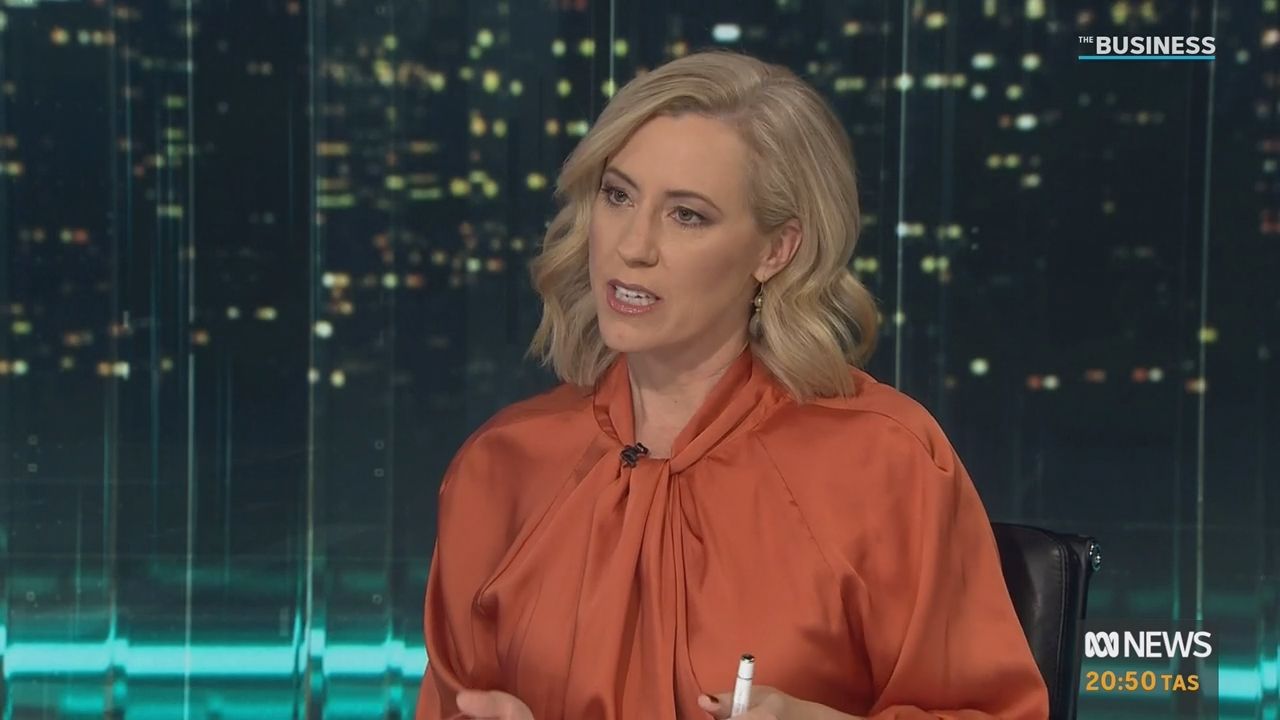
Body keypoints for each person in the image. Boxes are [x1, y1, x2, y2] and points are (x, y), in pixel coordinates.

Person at [415, 50, 1049, 720]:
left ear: (777, 250)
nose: (633, 246)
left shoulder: (883, 461)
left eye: (687, 215)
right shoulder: (502, 465)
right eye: (618, 195)